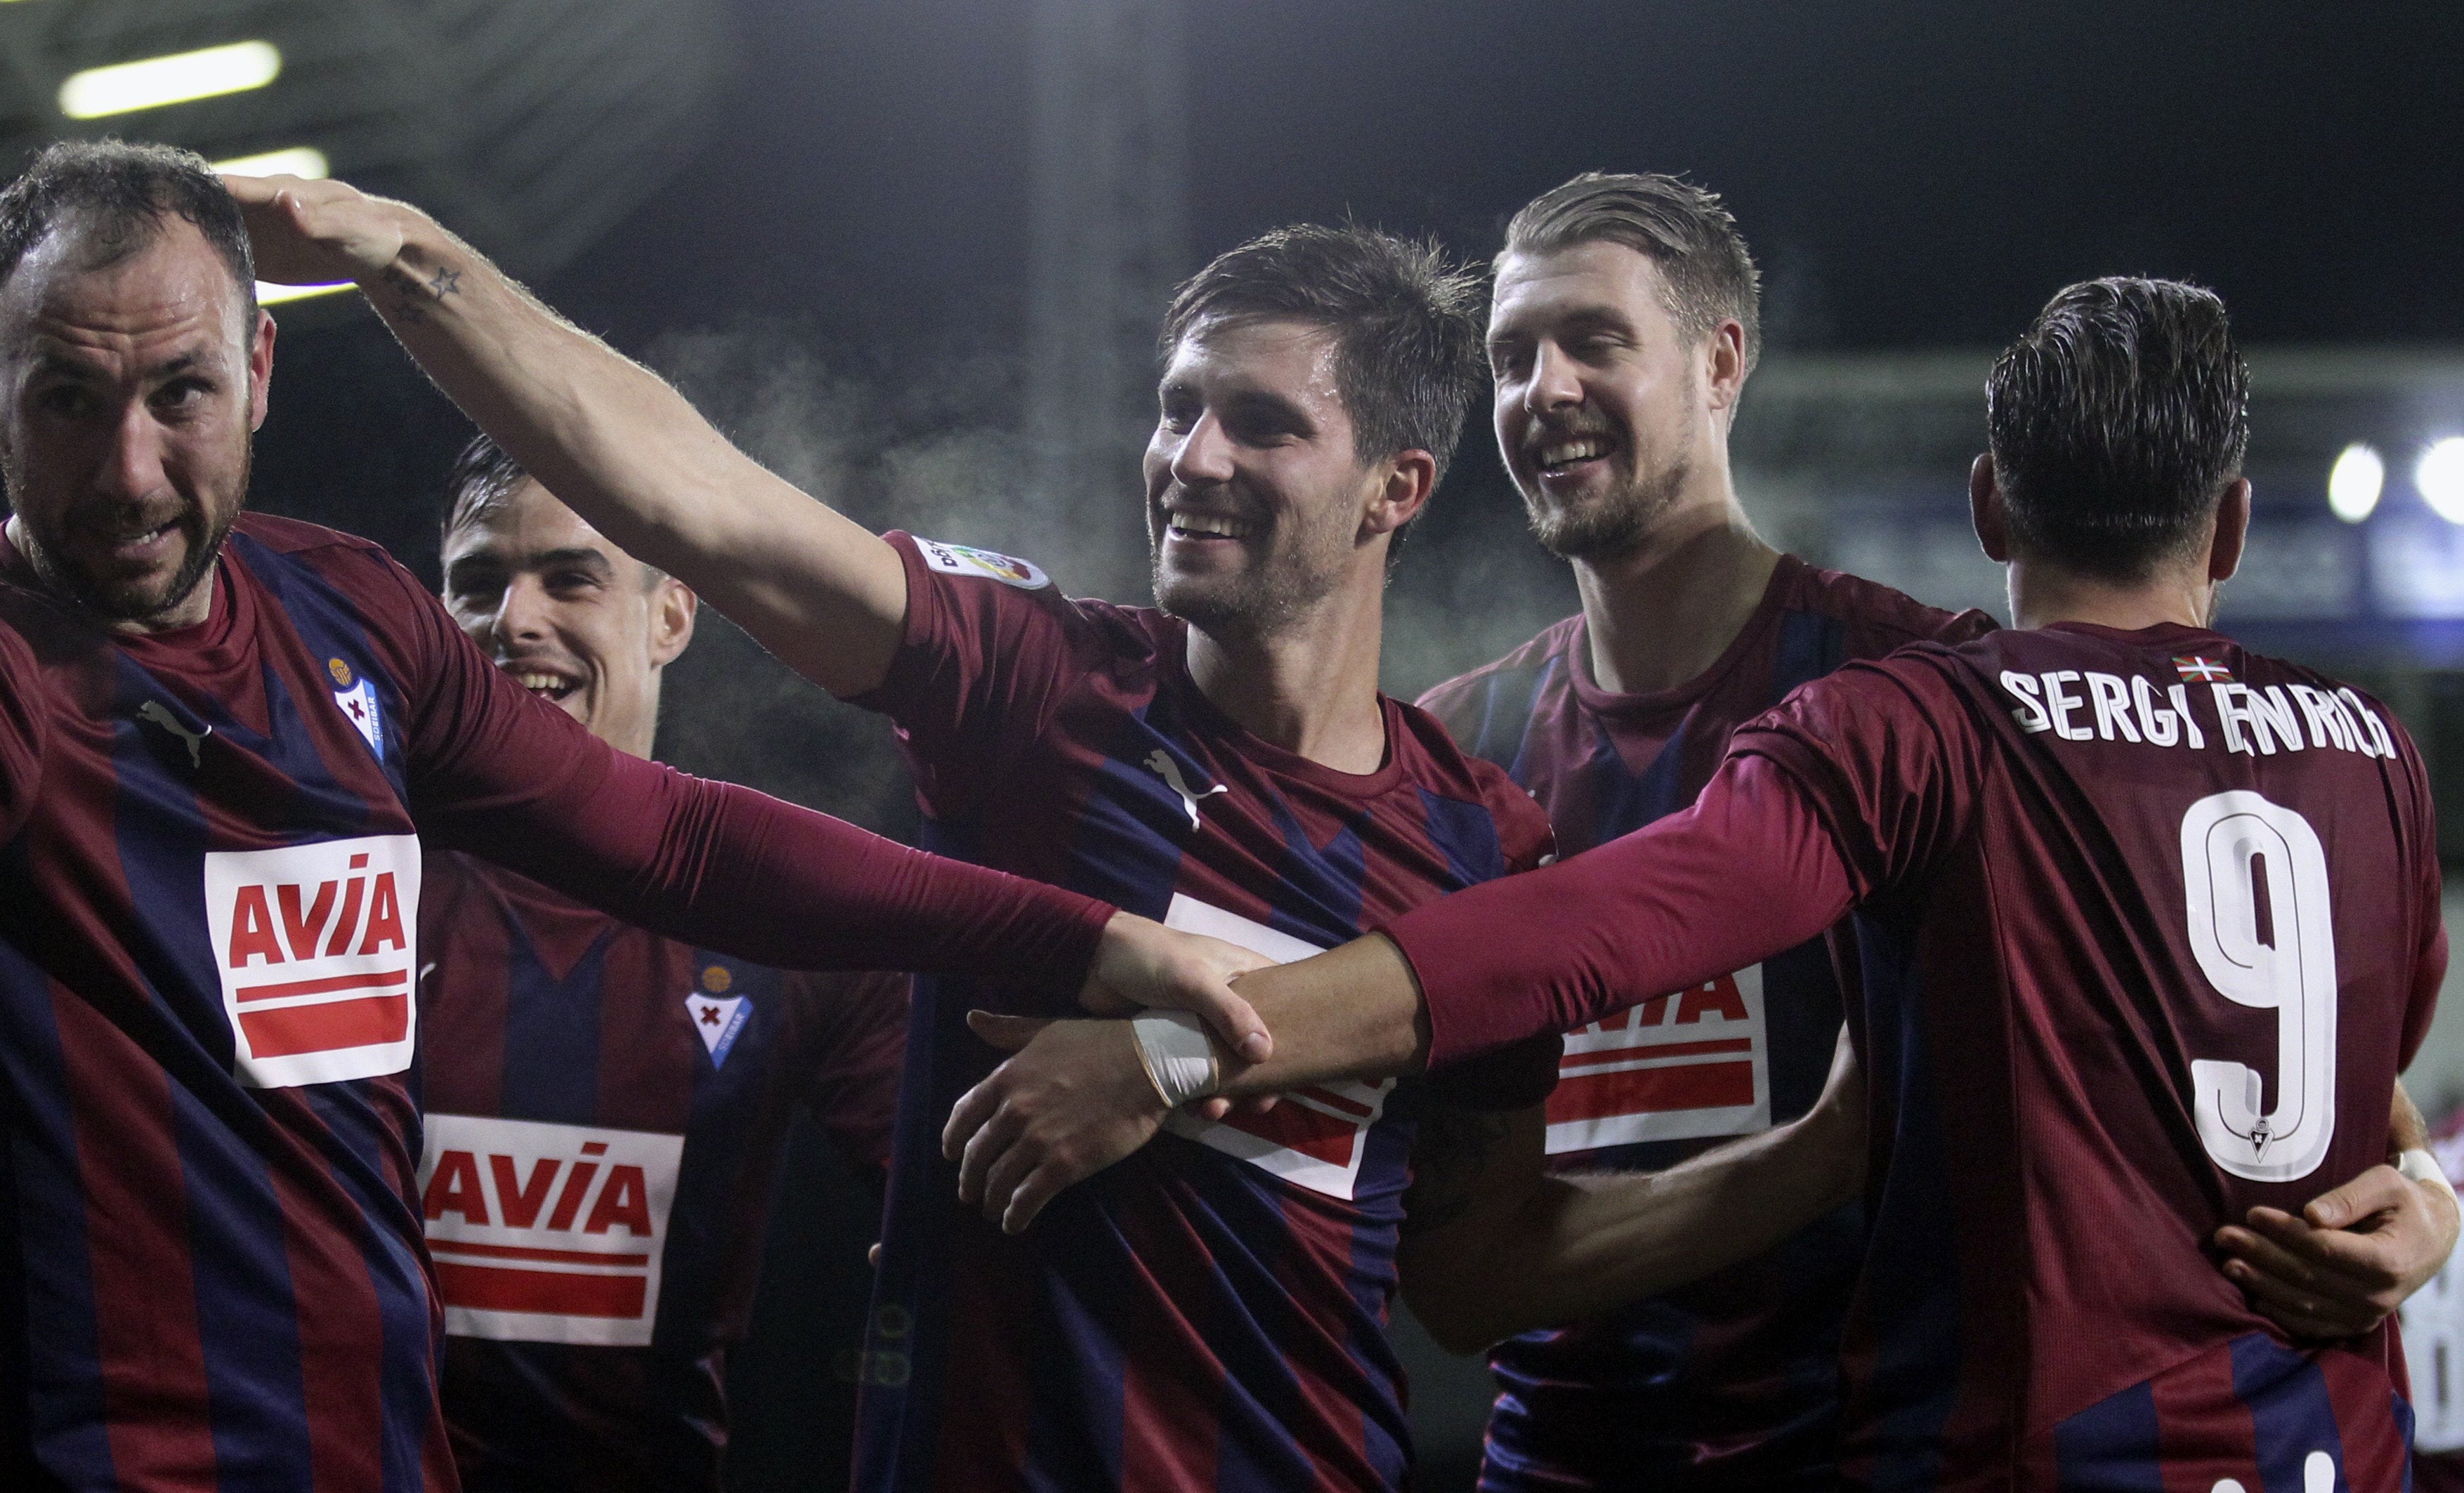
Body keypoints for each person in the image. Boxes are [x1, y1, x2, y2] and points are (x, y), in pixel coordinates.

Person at [0, 140, 1263, 1492]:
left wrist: (1101, 941)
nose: (132, 469)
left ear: (258, 373)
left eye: (181, 392)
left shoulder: (350, 617)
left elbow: (686, 846)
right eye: (69, 398)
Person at [950, 277, 2461, 1487]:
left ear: (1992, 506)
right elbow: (2365, 1101)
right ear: (2237, 520)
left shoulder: (1924, 717)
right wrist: (2430, 1205)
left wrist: (1176, 1035)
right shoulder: (2373, 754)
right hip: (2327, 1445)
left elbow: (1596, 928)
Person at [231, 168, 1554, 1489]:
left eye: (1261, 424)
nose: (1192, 458)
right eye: (1177, 409)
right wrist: (392, 245)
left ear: (1399, 486)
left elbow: (1474, 1272)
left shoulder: (1484, 849)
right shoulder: (1041, 686)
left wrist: (1771, 1184)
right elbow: (697, 501)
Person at [1403, 172, 2451, 1490]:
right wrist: (1831, 1151)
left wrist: (2426, 1195)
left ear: (1724, 361)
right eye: (1511, 355)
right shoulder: (1454, 750)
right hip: (1554, 1457)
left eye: (1593, 340)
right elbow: (1462, 1276)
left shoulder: (1937, 695)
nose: (1542, 387)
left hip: (1852, 1450)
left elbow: (2258, 1046)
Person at [414, 435, 910, 1490]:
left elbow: (977, 1188)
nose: (517, 620)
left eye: (571, 576)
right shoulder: (346, 893)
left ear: (672, 616)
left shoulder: (773, 915)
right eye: (479, 583)